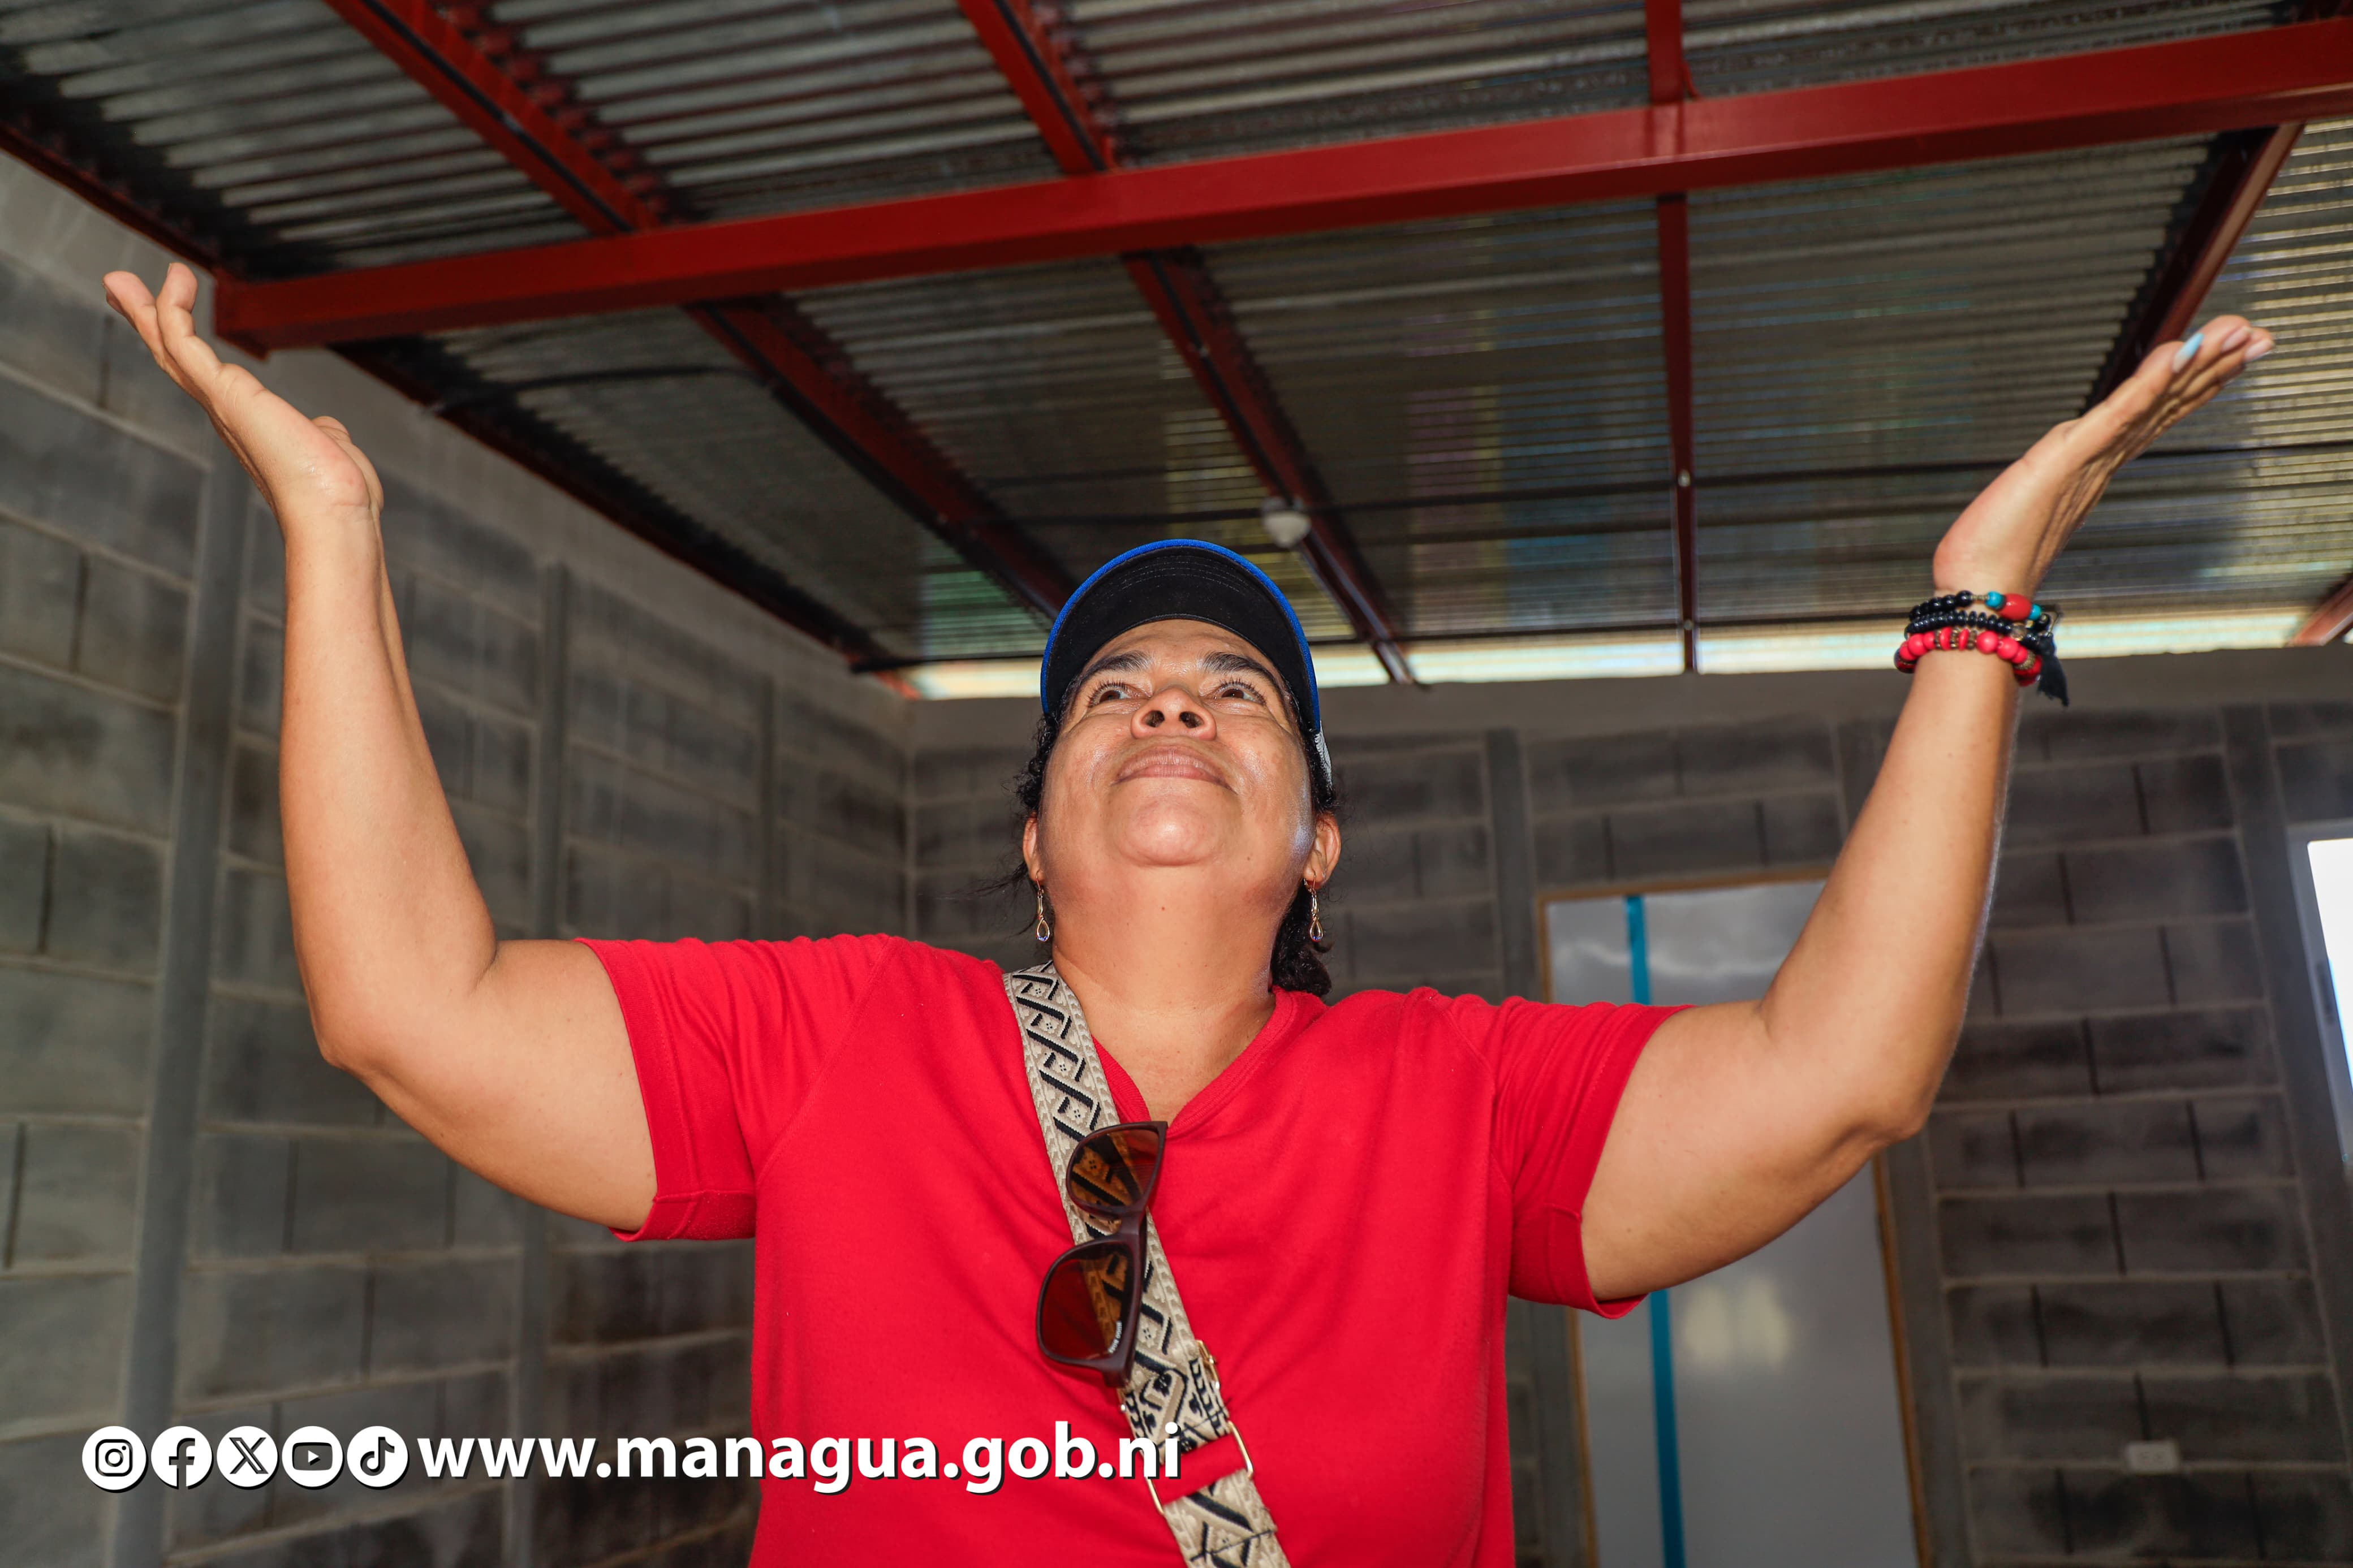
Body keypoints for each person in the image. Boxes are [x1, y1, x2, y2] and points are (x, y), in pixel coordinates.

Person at [102, 260, 2270, 1565]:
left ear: (1318, 838)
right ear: (1032, 836)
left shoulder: (1456, 1092)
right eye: (1111, 692)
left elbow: (1843, 1074)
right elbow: (410, 1008)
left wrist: (1978, 610)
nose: (1169, 705)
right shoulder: (840, 1036)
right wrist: (337, 532)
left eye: (1238, 692)